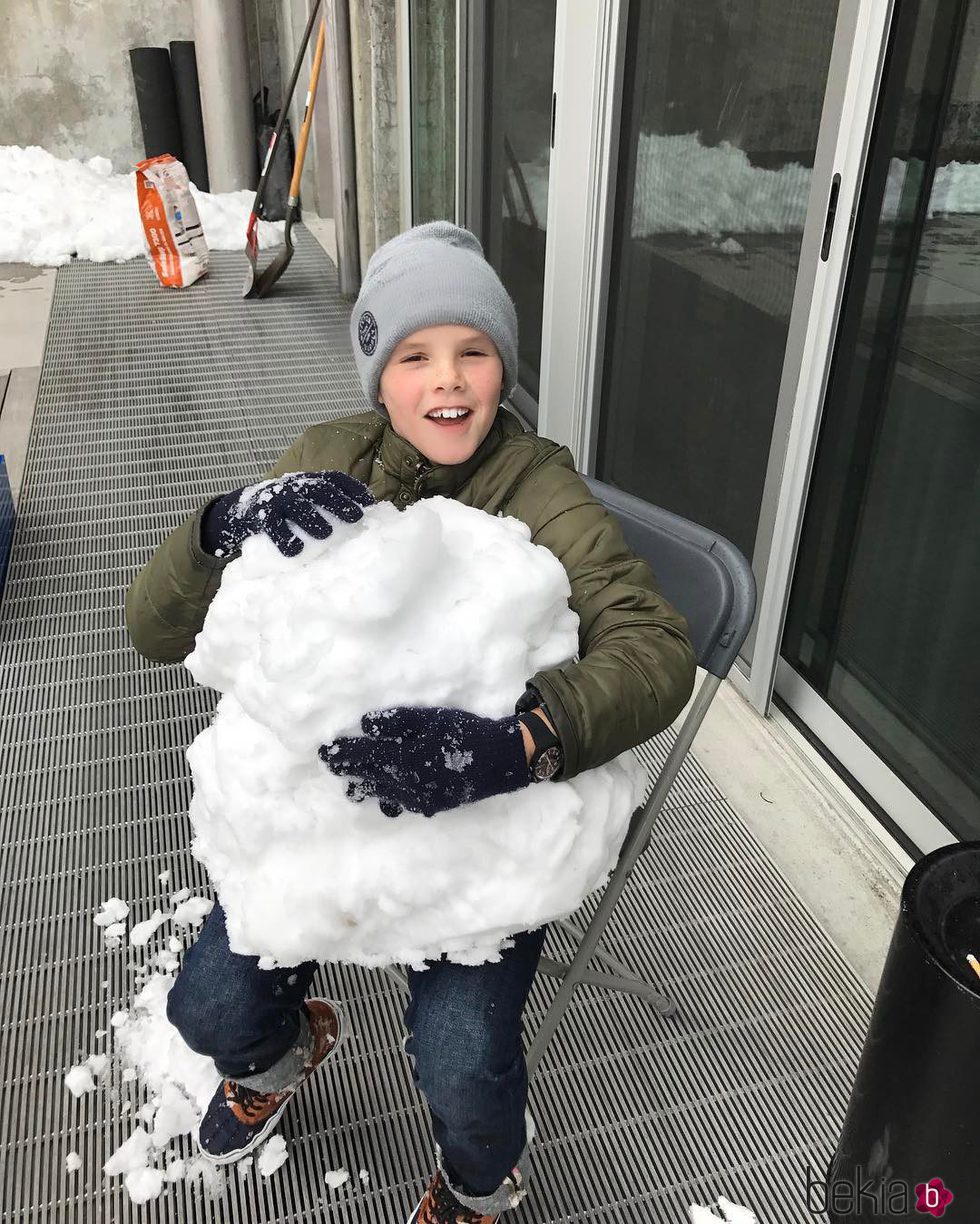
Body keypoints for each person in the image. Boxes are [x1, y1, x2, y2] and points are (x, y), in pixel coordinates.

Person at [124, 221, 697, 1224]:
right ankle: (289, 1047)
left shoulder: (541, 489)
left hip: (474, 828)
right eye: (414, 355)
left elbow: (655, 649)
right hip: (325, 814)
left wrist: (520, 739)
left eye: (472, 351)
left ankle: (482, 1181)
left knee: (464, 1065)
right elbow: (152, 634)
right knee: (207, 1010)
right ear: (377, 377)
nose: (448, 380)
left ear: (502, 368)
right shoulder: (324, 459)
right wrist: (223, 523)